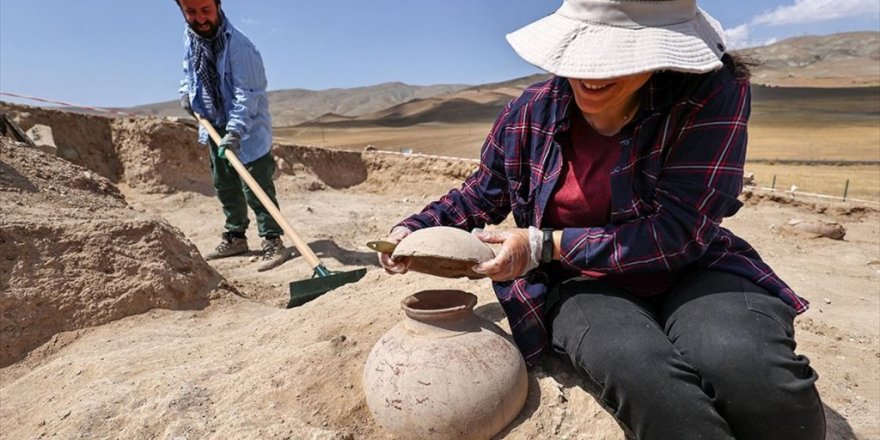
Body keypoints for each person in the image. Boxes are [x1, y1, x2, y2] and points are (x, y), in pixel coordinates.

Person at [377, 1, 826, 439]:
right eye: (585, 53)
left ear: (662, 55)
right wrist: (414, 229)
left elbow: (678, 231)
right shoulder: (529, 112)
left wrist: (541, 245)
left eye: (619, 56)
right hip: (582, 283)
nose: (593, 73)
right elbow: (483, 193)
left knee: (752, 375)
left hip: (694, 268)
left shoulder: (710, 96)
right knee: (647, 378)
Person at [175, 0, 288, 271]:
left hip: (246, 125)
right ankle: (236, 236)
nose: (200, 19)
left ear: (218, 5)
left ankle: (273, 240)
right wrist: (186, 92)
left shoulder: (240, 47)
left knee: (256, 184)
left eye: (206, 10)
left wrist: (235, 131)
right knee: (224, 183)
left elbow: (248, 95)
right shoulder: (191, 38)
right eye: (191, 12)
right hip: (214, 122)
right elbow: (189, 71)